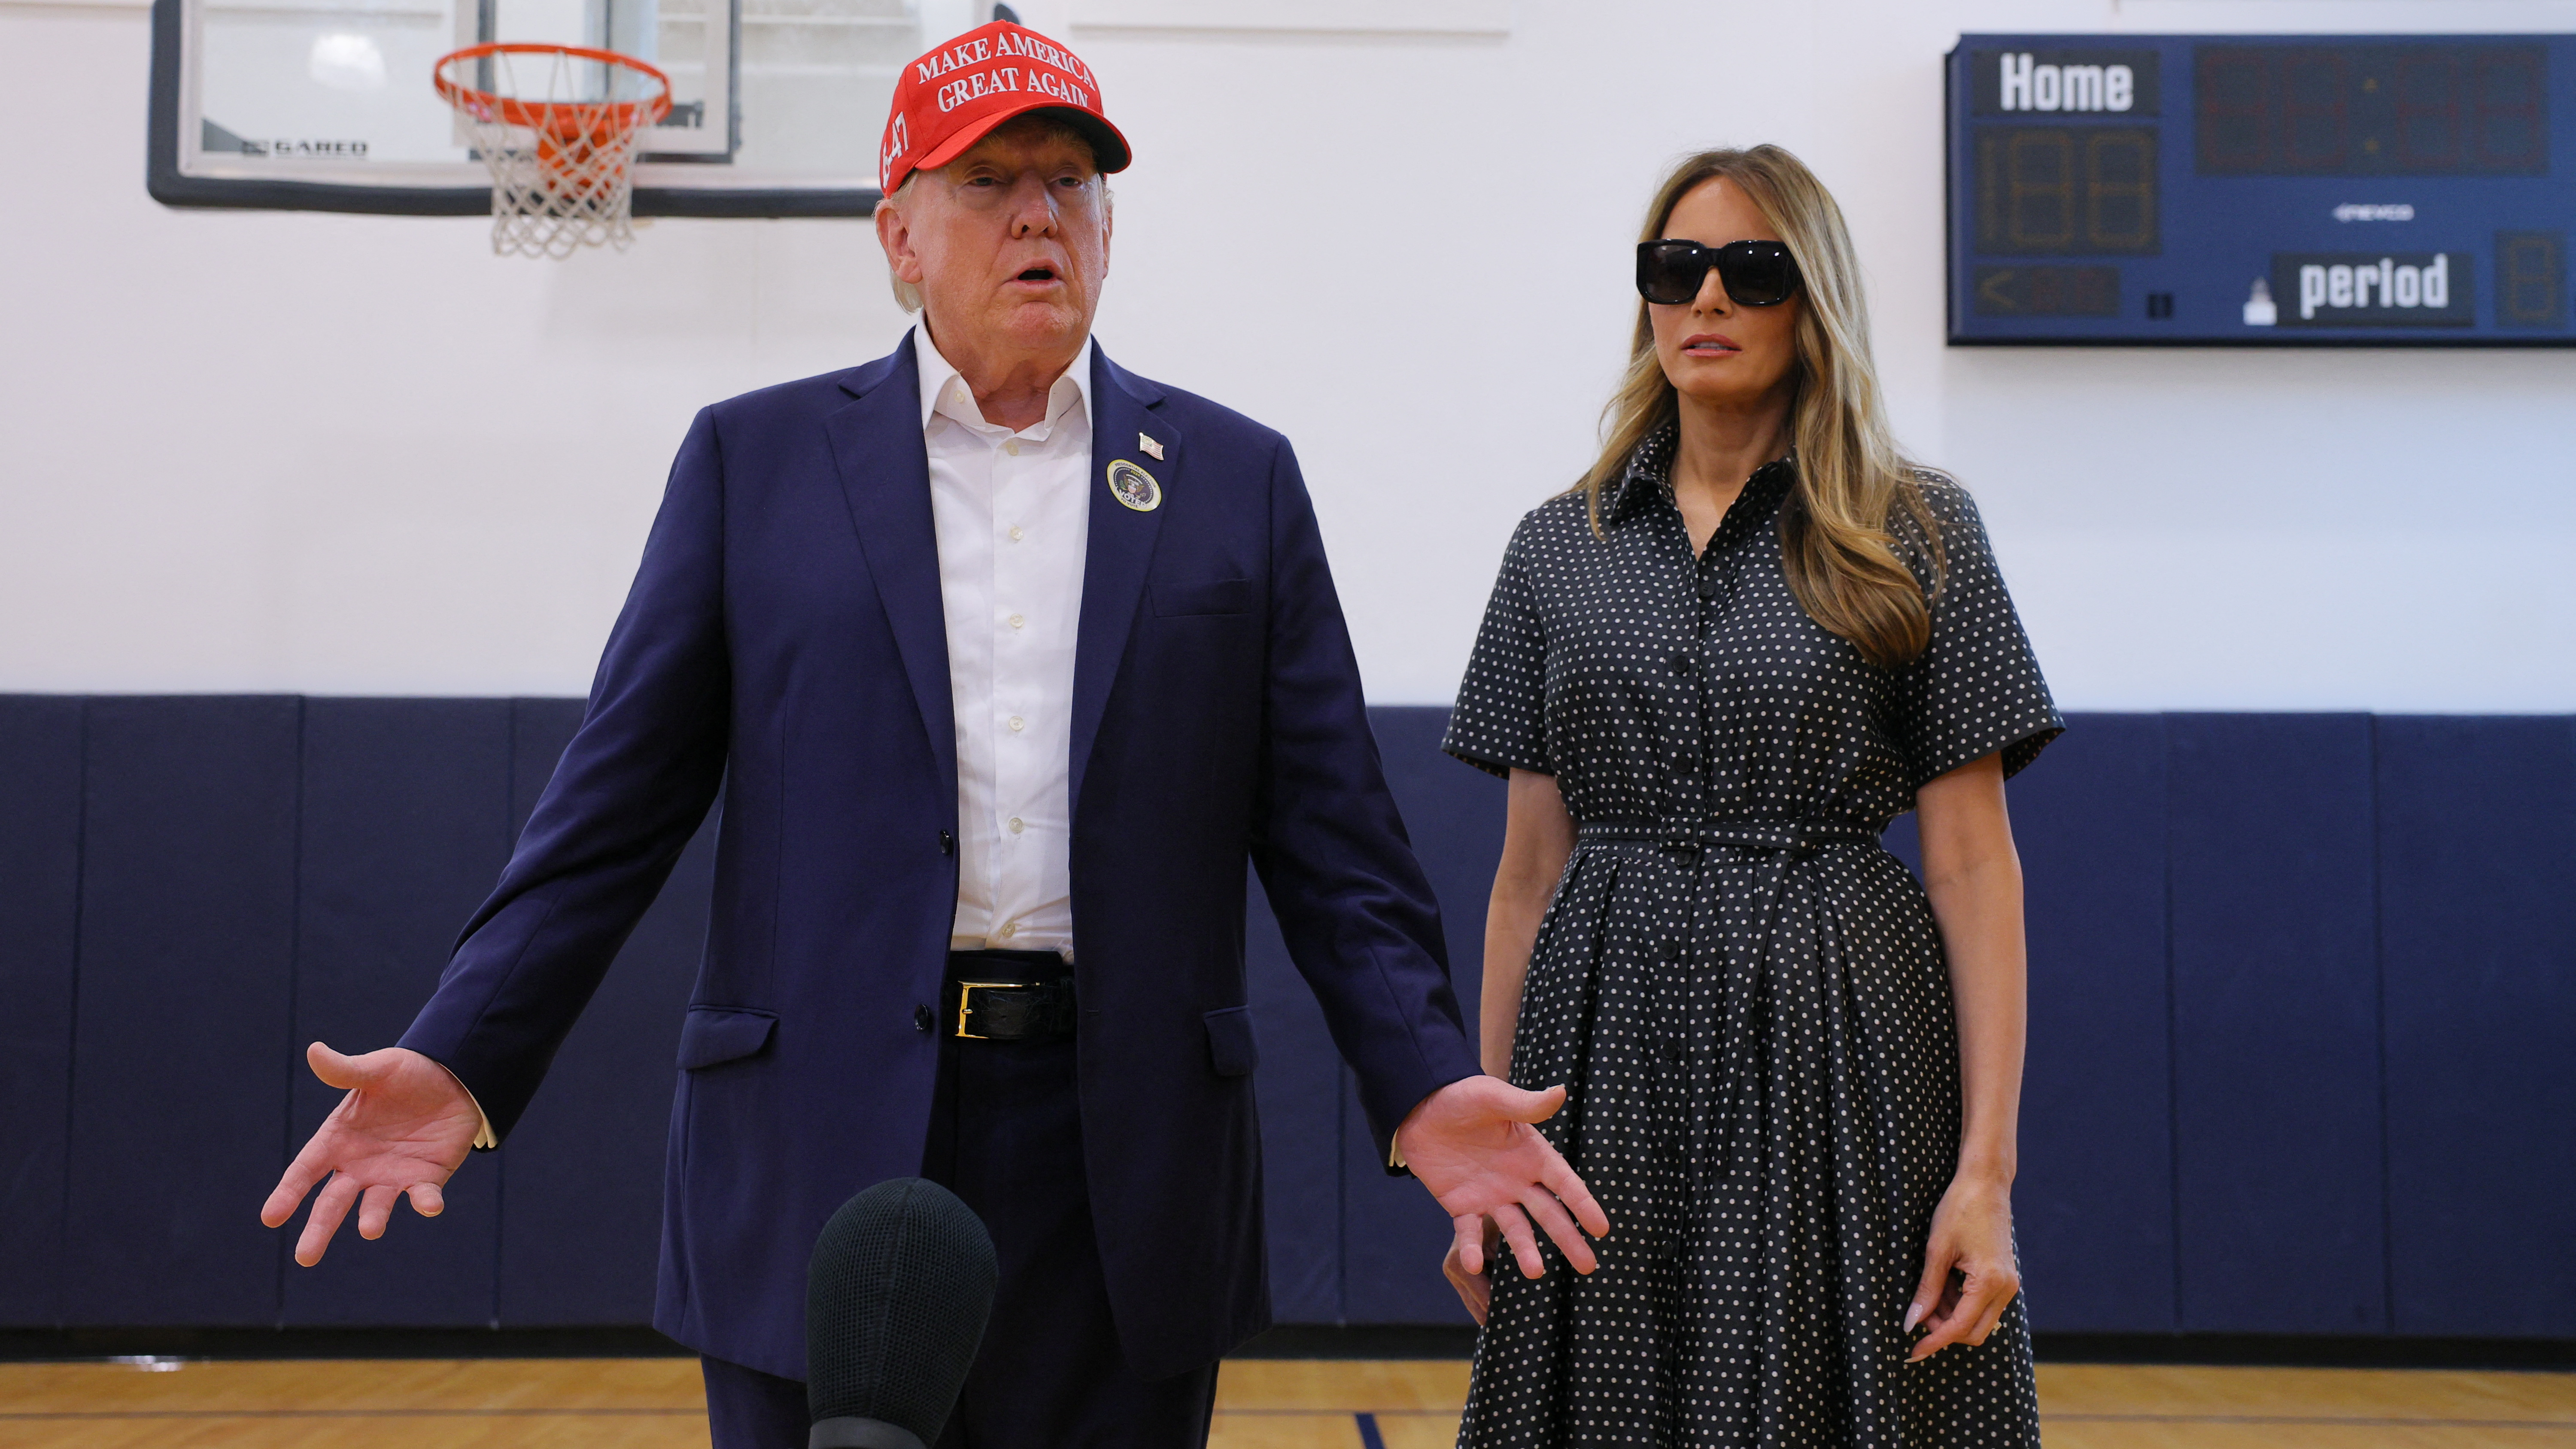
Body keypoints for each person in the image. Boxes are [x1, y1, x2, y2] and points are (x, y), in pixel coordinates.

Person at [255, 21, 1608, 1449]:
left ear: (1107, 225)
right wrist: (462, 1051)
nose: (1041, 212)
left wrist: (1425, 1078)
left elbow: (1342, 851)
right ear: (897, 232)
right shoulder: (753, 462)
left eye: (1073, 181)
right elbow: (607, 818)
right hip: (815, 1145)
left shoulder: (1236, 484)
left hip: (1124, 1163)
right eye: (990, 180)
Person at [1437, 145, 2061, 1445]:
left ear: (1812, 297)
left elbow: (1972, 866)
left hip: (1843, 1044)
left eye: (1750, 268)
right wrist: (1482, 1156)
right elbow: (1526, 876)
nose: (1706, 297)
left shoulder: (1921, 531)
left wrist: (1986, 1175)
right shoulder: (1558, 545)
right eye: (1676, 267)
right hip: (1600, 1053)